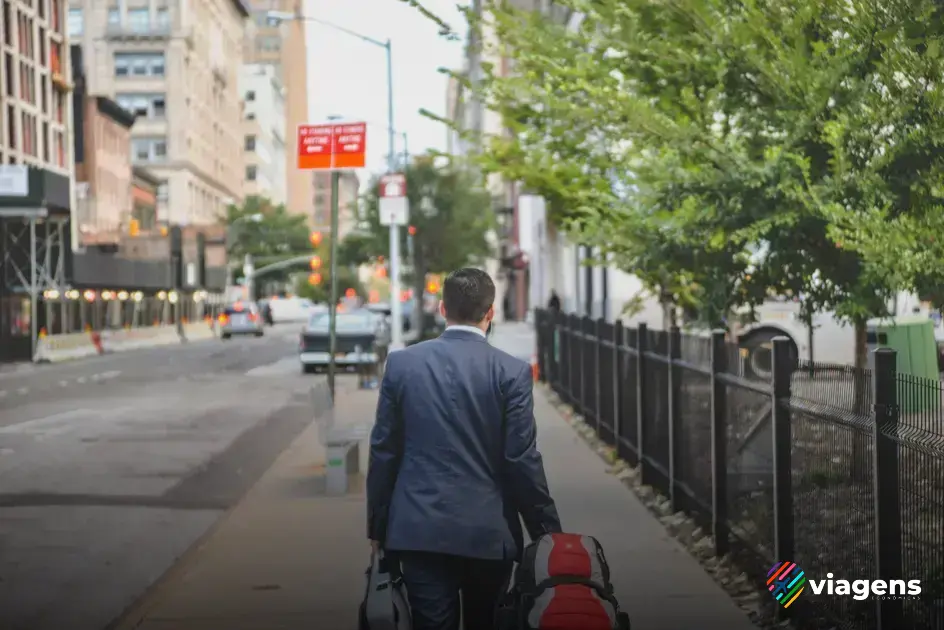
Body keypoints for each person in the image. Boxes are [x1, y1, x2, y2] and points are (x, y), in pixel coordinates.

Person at [367, 267, 562, 630]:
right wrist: (547, 532)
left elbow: (384, 451)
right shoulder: (512, 372)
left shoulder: (403, 365)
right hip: (488, 533)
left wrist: (378, 528)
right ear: (491, 313)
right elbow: (521, 460)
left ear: (442, 309)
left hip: (419, 531)